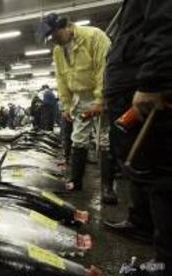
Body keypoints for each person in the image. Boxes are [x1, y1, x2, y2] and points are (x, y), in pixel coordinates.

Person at [103, 1, 172, 273]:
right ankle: (142, 224)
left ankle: (165, 262)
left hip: (145, 85)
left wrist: (154, 79)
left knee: (161, 175)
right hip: (129, 83)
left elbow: (165, 18)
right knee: (143, 168)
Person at [38, 14, 115, 202]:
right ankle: (76, 180)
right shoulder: (58, 50)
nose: (53, 41)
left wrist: (100, 100)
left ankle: (107, 188)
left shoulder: (94, 36)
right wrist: (65, 105)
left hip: (101, 95)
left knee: (104, 139)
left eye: (54, 35)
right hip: (79, 98)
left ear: (65, 27)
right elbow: (62, 79)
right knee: (78, 139)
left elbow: (103, 70)